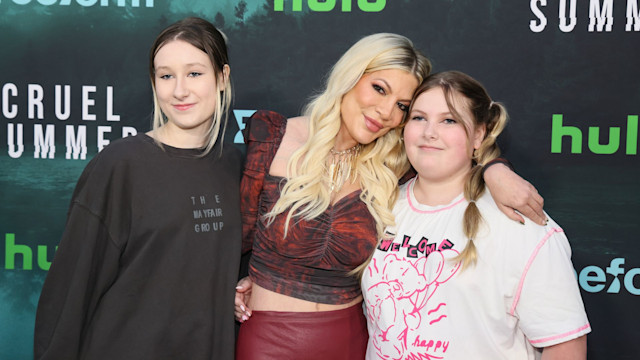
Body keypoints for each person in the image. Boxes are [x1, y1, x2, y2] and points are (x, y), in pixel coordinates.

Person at [234, 34, 546, 359]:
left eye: (402, 106)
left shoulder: (395, 165)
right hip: (268, 340)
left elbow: (455, 148)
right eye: (379, 88)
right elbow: (228, 239)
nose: (385, 112)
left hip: (351, 341)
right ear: (351, 77)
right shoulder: (272, 138)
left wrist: (496, 169)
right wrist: (233, 284)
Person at [34, 17, 242, 360]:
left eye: (194, 73)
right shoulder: (120, 165)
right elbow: (69, 294)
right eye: (166, 76)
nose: (179, 90)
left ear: (222, 78)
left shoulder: (234, 166)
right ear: (154, 83)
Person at [361, 71, 591, 360]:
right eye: (419, 118)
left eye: (449, 120)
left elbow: (565, 348)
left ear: (479, 134)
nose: (429, 132)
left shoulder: (520, 223)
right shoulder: (378, 206)